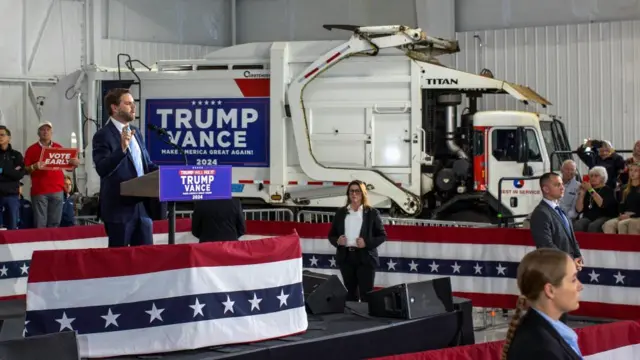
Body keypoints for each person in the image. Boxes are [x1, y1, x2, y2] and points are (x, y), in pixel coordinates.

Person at [92, 88, 158, 247]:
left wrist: (167, 172)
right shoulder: (103, 135)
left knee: (146, 258)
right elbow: (102, 169)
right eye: (128, 103)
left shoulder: (136, 132)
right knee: (119, 261)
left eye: (133, 103)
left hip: (142, 207)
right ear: (115, 108)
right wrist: (121, 149)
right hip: (119, 209)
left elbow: (146, 165)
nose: (133, 107)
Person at [501, 248, 584, 360]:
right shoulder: (542, 350)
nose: (580, 286)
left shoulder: (539, 331)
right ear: (550, 291)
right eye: (573, 280)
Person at [328, 180, 386, 302]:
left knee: (366, 294)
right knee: (350, 295)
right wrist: (338, 241)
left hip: (365, 258)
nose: (354, 194)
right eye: (351, 191)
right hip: (346, 258)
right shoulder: (341, 213)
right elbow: (331, 235)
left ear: (363, 193)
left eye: (357, 191)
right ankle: (352, 320)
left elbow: (382, 236)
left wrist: (366, 243)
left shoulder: (372, 213)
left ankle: (367, 320)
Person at [24, 121, 80, 228]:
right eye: (42, 129)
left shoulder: (59, 147)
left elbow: (68, 167)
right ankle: (41, 244)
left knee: (55, 223)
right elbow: (25, 170)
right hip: (39, 190)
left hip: (57, 189)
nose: (45, 132)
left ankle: (52, 244)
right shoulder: (31, 150)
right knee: (40, 223)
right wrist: (34, 166)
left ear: (51, 132)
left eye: (48, 129)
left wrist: (75, 164)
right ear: (38, 133)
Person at [529, 172, 583, 272]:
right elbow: (546, 246)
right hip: (553, 269)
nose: (562, 187)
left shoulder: (560, 210)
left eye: (562, 184)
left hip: (567, 267)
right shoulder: (540, 213)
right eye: (557, 185)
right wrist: (570, 261)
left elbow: (572, 238)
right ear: (546, 189)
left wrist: (578, 256)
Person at [574, 166, 618, 233]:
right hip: (589, 217)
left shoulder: (607, 190)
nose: (593, 178)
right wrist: (582, 194)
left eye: (596, 176)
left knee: (593, 226)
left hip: (604, 216)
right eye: (591, 176)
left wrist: (590, 189)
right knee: (578, 224)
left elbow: (602, 204)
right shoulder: (588, 190)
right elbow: (579, 209)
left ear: (603, 178)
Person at [0, 126, 26, 230]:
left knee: (13, 226)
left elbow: (19, 174)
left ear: (9, 138)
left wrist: (2, 171)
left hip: (12, 195)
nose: (0, 137)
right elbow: (14, 174)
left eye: (2, 134)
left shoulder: (16, 155)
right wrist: (11, 173)